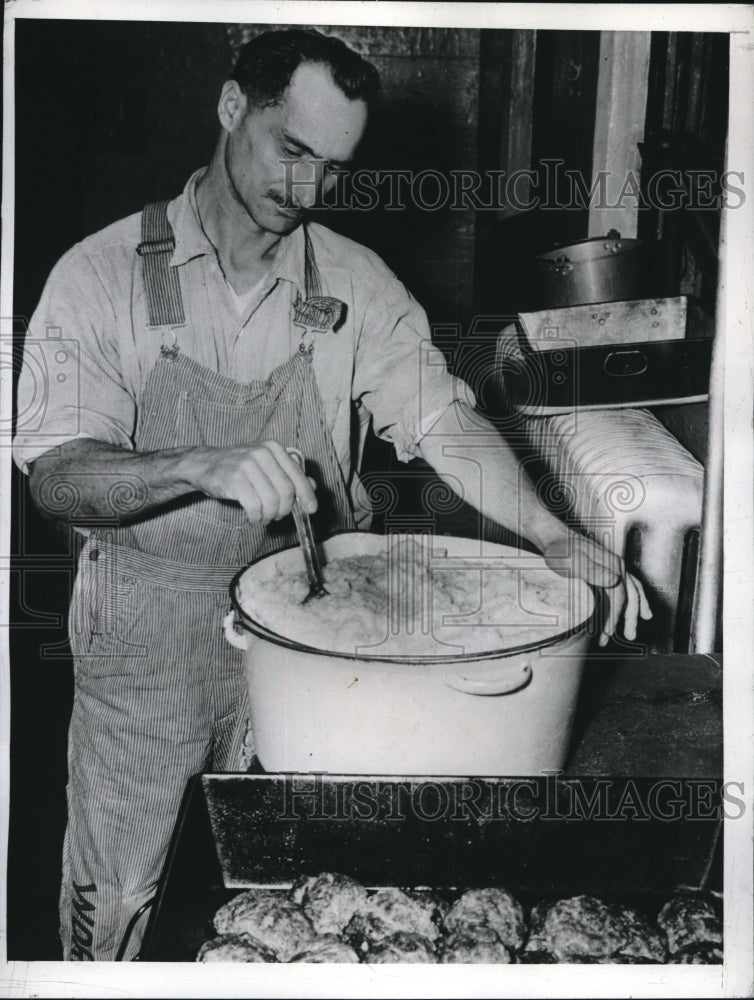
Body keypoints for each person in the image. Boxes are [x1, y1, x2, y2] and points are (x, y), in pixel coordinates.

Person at [13, 28, 650, 961]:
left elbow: (443, 425)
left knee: (309, 904)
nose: (310, 191)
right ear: (234, 108)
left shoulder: (355, 283)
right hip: (148, 649)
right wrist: (197, 464)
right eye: (294, 151)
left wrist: (551, 534)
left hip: (318, 643)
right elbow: (58, 475)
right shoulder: (100, 276)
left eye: (336, 168)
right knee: (124, 902)